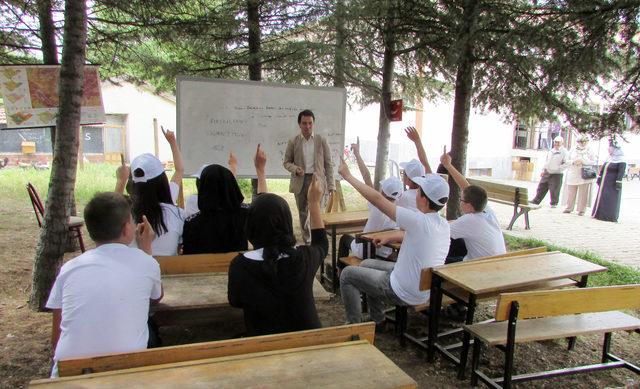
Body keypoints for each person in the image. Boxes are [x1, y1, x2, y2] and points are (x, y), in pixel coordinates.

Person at [45, 192, 163, 377]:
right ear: (126, 229)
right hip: (125, 371)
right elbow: (157, 296)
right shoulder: (146, 263)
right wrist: (146, 249)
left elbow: (57, 335)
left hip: (68, 370)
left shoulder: (70, 268)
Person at [338, 160, 450, 327]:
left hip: (402, 290)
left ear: (425, 200)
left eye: (419, 191)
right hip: (423, 288)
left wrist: (348, 176)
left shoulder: (418, 221)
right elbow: (412, 235)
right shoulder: (442, 224)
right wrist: (390, 237)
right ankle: (378, 320)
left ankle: (354, 328)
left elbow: (377, 198)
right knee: (367, 263)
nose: (416, 193)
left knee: (347, 275)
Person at [227, 174, 328, 336]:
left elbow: (235, 301)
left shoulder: (240, 266)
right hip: (308, 345)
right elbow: (322, 244)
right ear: (287, 223)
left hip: (265, 348)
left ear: (250, 226)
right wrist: (314, 203)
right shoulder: (304, 258)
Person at [183, 145, 266, 254]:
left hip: (203, 269)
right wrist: (260, 170)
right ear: (231, 186)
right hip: (237, 268)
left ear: (203, 189)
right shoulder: (243, 215)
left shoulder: (192, 223)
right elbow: (263, 205)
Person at [118, 127, 186, 256]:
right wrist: (172, 142)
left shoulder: (125, 214)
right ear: (163, 181)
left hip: (135, 272)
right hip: (168, 272)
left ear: (133, 183)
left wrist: (121, 180)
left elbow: (110, 207)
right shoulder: (175, 212)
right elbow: (179, 170)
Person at [337, 139, 403, 268]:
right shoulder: (400, 208)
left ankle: (339, 271)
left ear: (382, 192)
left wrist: (357, 154)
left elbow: (366, 177)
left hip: (366, 250)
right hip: (386, 251)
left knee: (344, 238)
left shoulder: (377, 205)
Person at [439, 148, 506, 261]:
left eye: (462, 200)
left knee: (436, 262)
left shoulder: (470, 220)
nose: (460, 202)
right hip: (497, 262)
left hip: (480, 269)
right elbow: (466, 188)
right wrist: (448, 165)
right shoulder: (487, 211)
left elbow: (437, 230)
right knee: (455, 243)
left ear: (469, 205)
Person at [283, 109, 335, 244]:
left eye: (310, 123)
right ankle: (307, 242)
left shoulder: (321, 140)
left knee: (318, 213)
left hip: (317, 181)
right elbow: (286, 162)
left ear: (314, 123)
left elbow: (329, 165)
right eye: (304, 123)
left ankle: (319, 242)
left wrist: (331, 186)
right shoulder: (293, 141)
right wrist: (295, 169)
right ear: (299, 124)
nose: (308, 126)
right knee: (303, 213)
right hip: (300, 180)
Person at [185, 153, 238, 217]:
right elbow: (229, 188)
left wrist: (233, 166)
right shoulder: (225, 201)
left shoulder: (192, 200)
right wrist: (233, 166)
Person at [396, 127, 432, 210]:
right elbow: (425, 163)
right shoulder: (429, 192)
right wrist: (417, 141)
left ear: (409, 179)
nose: (402, 176)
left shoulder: (404, 197)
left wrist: (417, 141)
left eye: (403, 173)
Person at [530, 136, 570, 207]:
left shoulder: (564, 152)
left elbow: (567, 163)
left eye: (558, 142)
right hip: (547, 172)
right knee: (541, 187)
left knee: (554, 189)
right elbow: (547, 161)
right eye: (555, 142)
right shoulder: (551, 151)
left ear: (562, 143)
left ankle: (554, 203)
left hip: (556, 174)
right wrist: (543, 169)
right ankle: (536, 200)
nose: (556, 144)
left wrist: (559, 168)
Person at [592, 141, 626, 222]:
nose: (609, 149)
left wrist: (618, 182)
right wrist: (599, 177)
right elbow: (603, 169)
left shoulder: (621, 160)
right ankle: (599, 214)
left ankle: (609, 215)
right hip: (604, 182)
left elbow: (621, 172)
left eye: (611, 147)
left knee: (610, 199)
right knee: (602, 197)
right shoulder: (609, 158)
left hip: (612, 183)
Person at [563, 135, 596, 215]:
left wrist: (583, 161)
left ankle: (581, 210)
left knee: (583, 193)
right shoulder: (573, 149)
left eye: (584, 141)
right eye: (581, 141)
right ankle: (569, 207)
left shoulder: (590, 150)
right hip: (573, 172)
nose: (583, 143)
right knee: (571, 192)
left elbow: (593, 161)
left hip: (584, 173)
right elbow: (566, 160)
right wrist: (573, 162)